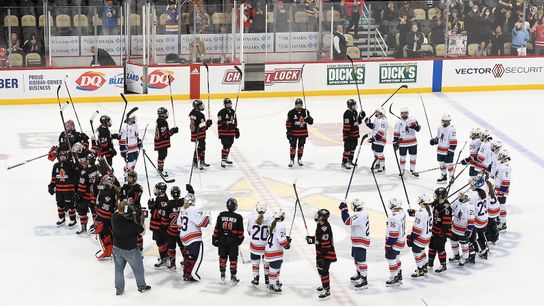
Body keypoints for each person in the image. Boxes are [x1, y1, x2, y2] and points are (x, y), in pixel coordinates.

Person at [111, 200, 151, 295]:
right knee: (138, 269)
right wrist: (141, 220)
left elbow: (118, 211)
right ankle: (141, 286)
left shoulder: (114, 217)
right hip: (130, 250)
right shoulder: (132, 224)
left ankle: (119, 290)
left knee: (118, 269)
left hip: (116, 248)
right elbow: (143, 232)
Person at [178, 184, 209, 281]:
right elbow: (202, 223)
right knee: (195, 256)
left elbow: (179, 224)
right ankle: (190, 274)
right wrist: (207, 216)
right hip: (193, 237)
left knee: (187, 255)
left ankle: (185, 273)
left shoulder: (183, 209)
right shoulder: (193, 210)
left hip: (184, 236)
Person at [339, 199, 370, 289]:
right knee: (356, 258)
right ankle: (359, 273)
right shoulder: (364, 213)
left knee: (361, 260)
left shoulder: (359, 215)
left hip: (361, 241)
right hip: (358, 241)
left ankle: (364, 280)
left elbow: (347, 221)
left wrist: (344, 210)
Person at [306, 209, 336, 299]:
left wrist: (313, 241)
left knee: (324, 271)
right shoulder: (320, 224)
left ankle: (327, 290)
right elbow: (319, 238)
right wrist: (312, 239)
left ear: (322, 217)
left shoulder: (325, 228)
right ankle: (324, 285)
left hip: (326, 254)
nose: (317, 216)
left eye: (319, 215)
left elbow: (325, 243)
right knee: (320, 270)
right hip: (320, 253)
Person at [213, 198, 244, 284]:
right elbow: (240, 231)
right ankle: (233, 276)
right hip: (233, 241)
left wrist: (215, 238)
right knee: (233, 258)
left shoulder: (221, 215)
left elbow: (217, 228)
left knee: (222, 257)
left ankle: (222, 274)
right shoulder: (238, 217)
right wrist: (239, 239)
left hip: (222, 239)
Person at [48, 149, 78, 228]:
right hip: (59, 190)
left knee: (70, 205)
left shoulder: (71, 164)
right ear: (59, 157)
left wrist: (76, 167)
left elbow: (76, 176)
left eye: (64, 156)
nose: (63, 158)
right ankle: (61, 219)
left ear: (67, 157)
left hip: (68, 190)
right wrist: (51, 186)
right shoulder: (56, 166)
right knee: (60, 204)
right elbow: (54, 177)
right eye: (61, 156)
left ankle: (73, 220)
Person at [264, 209, 291, 293]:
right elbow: (283, 242)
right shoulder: (281, 226)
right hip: (275, 252)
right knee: (274, 269)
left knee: (274, 268)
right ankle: (272, 286)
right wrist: (288, 242)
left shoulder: (271, 222)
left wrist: (285, 238)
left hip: (268, 249)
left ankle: (275, 281)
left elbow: (276, 235)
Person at [407, 194, 433, 278]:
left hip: (420, 238)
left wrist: (411, 238)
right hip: (427, 237)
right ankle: (424, 267)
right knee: (422, 251)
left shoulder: (420, 213)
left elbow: (417, 229)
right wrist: (415, 212)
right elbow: (423, 215)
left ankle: (420, 270)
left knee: (417, 254)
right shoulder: (430, 209)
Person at [95, 174, 120, 260]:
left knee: (100, 233)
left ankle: (105, 251)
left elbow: (103, 206)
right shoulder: (111, 190)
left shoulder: (108, 192)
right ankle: (110, 251)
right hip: (108, 217)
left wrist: (99, 217)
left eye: (104, 181)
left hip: (104, 217)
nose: (102, 182)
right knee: (107, 234)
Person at [427, 187, 452, 273]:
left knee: (440, 248)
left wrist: (442, 233)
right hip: (434, 230)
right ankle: (430, 264)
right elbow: (429, 206)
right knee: (431, 247)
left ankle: (443, 265)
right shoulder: (436, 203)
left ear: (441, 196)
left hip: (441, 232)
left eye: (437, 194)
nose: (435, 196)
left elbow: (447, 224)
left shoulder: (446, 208)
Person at [247, 202, 272, 286]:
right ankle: (267, 279)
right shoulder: (270, 217)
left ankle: (256, 278)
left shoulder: (251, 217)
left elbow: (249, 231)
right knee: (266, 263)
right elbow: (271, 232)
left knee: (255, 262)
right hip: (265, 246)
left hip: (255, 246)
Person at [164, 186, 187, 271]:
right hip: (182, 231)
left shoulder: (168, 204)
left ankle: (173, 265)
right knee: (183, 247)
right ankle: (186, 261)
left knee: (171, 248)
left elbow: (165, 219)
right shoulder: (184, 202)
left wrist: (164, 229)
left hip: (171, 231)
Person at [120, 170, 144, 252]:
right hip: (126, 210)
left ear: (134, 178)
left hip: (135, 210)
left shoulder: (138, 187)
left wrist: (129, 194)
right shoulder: (125, 186)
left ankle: (140, 249)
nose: (129, 179)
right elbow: (121, 197)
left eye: (130, 178)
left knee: (137, 230)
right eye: (128, 177)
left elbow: (134, 200)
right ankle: (129, 246)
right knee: (126, 229)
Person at [76, 152, 99, 235]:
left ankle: (84, 228)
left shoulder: (84, 172)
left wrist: (78, 195)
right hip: (96, 195)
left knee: (82, 211)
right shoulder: (98, 168)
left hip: (86, 196)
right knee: (95, 213)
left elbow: (82, 186)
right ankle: (97, 231)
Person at [285, 98, 314, 167]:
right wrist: (288, 133)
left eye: (300, 104)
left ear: (302, 105)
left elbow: (311, 122)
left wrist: (308, 119)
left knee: (301, 146)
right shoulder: (291, 112)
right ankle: (291, 159)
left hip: (303, 133)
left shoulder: (306, 112)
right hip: (294, 133)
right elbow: (288, 124)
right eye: (297, 105)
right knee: (293, 147)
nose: (299, 106)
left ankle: (299, 158)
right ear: (295, 105)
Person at [393, 107, 420, 177]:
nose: (404, 114)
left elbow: (418, 129)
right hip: (402, 143)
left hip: (413, 142)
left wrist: (415, 126)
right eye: (403, 113)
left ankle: (413, 170)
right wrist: (395, 142)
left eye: (405, 113)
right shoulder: (398, 122)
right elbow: (396, 133)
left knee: (413, 157)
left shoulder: (413, 119)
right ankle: (402, 170)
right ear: (401, 114)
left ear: (408, 113)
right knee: (402, 158)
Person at [384, 198, 406, 287]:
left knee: (390, 258)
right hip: (401, 240)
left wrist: (388, 244)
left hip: (395, 242)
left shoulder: (393, 218)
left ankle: (394, 277)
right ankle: (399, 274)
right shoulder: (402, 213)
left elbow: (393, 235)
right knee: (396, 257)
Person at [449, 192, 475, 267]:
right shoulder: (456, 202)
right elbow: (451, 210)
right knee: (453, 242)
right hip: (454, 228)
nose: (461, 197)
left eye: (463, 196)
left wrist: (469, 229)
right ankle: (456, 255)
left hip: (463, 230)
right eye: (461, 195)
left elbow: (471, 219)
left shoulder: (470, 206)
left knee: (464, 245)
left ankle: (465, 258)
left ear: (467, 197)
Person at [430, 114, 457, 183]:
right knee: (441, 164)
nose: (445, 122)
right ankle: (443, 176)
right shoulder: (439, 127)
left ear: (449, 121)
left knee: (449, 164)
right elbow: (438, 137)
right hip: (440, 150)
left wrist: (451, 150)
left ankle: (451, 177)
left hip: (447, 150)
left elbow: (453, 140)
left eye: (446, 121)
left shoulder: (452, 128)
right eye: (444, 121)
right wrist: (434, 141)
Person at [148, 182, 169, 268]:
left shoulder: (162, 200)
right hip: (160, 226)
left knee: (160, 242)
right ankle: (165, 257)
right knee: (162, 242)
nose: (156, 190)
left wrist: (152, 208)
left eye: (157, 189)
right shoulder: (160, 198)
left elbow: (160, 214)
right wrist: (152, 207)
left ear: (162, 190)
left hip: (159, 226)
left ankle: (164, 258)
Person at [468, 176, 489, 262]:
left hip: (477, 220)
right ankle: (484, 250)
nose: (470, 185)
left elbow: (470, 208)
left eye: (472, 184)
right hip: (484, 218)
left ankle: (472, 253)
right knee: (481, 234)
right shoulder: (484, 191)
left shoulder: (473, 195)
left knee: (471, 237)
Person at [154, 107, 178, 177]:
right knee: (162, 156)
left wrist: (172, 130)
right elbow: (165, 135)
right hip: (161, 143)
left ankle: (160, 169)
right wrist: (173, 131)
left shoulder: (160, 121)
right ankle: (160, 170)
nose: (166, 114)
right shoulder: (162, 122)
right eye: (165, 113)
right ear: (162, 114)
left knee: (163, 156)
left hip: (160, 142)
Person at [189, 99, 212, 170]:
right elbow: (202, 127)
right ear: (197, 107)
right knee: (200, 148)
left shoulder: (192, 113)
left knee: (202, 147)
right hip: (199, 134)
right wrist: (208, 124)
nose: (202, 106)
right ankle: (196, 162)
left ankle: (201, 161)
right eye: (200, 105)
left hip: (194, 133)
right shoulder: (200, 115)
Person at [342, 99, 365, 169]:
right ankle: (344, 162)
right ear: (350, 106)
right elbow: (347, 126)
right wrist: (348, 136)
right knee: (347, 149)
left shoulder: (355, 112)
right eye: (353, 105)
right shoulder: (347, 114)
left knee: (353, 148)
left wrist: (361, 117)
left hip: (355, 134)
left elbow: (358, 122)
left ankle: (350, 160)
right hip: (349, 135)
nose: (355, 106)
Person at [217, 98, 239, 168]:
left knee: (230, 144)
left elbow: (235, 122)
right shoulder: (221, 112)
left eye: (230, 103)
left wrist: (235, 129)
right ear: (225, 105)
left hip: (231, 132)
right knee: (225, 145)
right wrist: (225, 124)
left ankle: (226, 158)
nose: (229, 105)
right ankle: (223, 159)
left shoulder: (233, 111)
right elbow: (219, 123)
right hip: (224, 132)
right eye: (227, 104)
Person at [366, 108, 388, 174]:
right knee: (374, 152)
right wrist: (368, 124)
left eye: (377, 112)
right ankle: (378, 164)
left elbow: (381, 132)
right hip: (375, 138)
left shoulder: (383, 121)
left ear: (381, 113)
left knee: (379, 153)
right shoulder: (377, 119)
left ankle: (382, 167)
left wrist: (373, 138)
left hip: (381, 139)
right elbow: (374, 127)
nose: (376, 113)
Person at [495, 150, 512, 232]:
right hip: (498, 190)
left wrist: (501, 192)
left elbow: (506, 182)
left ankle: (503, 224)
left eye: (501, 155)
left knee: (502, 207)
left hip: (502, 191)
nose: (499, 156)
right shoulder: (501, 164)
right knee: (498, 206)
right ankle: (500, 221)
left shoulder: (506, 167)